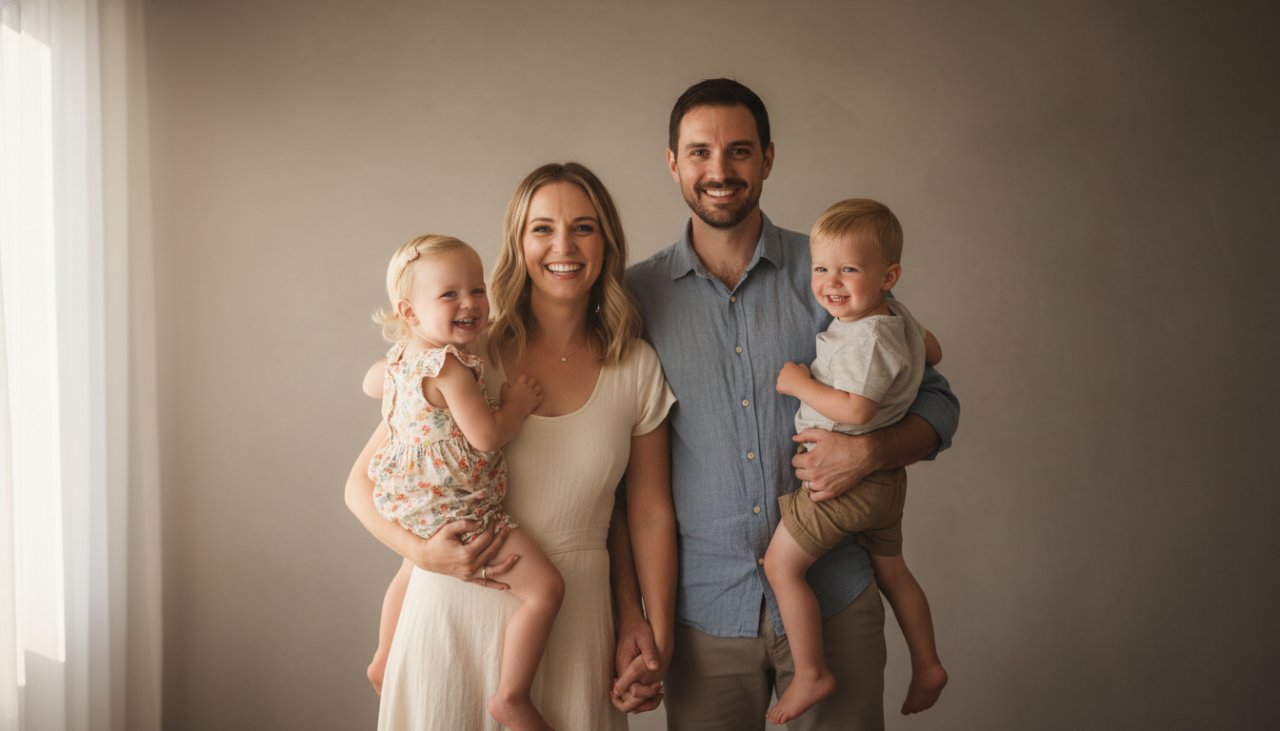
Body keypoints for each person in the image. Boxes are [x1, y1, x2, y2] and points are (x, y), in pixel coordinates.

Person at [616, 79, 960, 730]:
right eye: (699, 153)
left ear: (768, 159)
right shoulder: (636, 298)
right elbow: (614, 475)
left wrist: (871, 450)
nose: (719, 171)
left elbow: (938, 403)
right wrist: (633, 613)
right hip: (702, 616)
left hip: (835, 598)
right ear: (672, 163)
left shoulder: (832, 268)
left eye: (739, 151)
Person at [346, 162, 676, 731]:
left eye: (584, 227)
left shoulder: (637, 366)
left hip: (574, 623)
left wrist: (652, 632)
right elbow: (360, 488)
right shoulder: (467, 355)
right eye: (541, 228)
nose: (563, 246)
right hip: (449, 611)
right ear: (518, 243)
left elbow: (645, 514)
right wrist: (422, 554)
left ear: (608, 243)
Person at [361, 234, 563, 731]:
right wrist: (517, 403)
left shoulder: (397, 364)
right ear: (409, 313)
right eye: (449, 294)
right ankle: (512, 697)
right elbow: (488, 437)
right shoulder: (450, 368)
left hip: (410, 504)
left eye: (477, 289)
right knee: (546, 590)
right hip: (460, 512)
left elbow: (369, 383)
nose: (471, 303)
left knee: (410, 568)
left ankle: (385, 657)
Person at [765, 199, 947, 723]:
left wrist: (798, 383)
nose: (830, 283)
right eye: (821, 268)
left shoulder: (866, 337)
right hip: (884, 487)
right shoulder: (893, 314)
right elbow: (932, 348)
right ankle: (929, 664)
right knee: (893, 570)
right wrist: (913, 353)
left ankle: (811, 673)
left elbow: (858, 407)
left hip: (850, 485)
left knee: (780, 564)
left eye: (849, 270)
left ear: (888, 275)